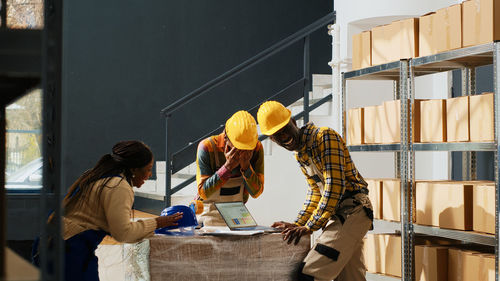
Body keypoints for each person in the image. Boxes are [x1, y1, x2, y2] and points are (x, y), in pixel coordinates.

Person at [34, 140, 183, 281]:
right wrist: (157, 223)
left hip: (52, 241)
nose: (150, 174)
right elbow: (123, 233)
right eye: (148, 169)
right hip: (68, 249)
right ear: (134, 169)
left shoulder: (98, 176)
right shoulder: (118, 186)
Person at [257, 101, 373, 281]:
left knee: (309, 274)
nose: (284, 136)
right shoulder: (300, 153)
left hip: (354, 211)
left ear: (294, 122)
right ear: (272, 139)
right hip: (341, 215)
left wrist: (310, 226)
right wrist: (298, 223)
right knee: (351, 278)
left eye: (285, 128)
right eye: (276, 135)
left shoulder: (324, 137)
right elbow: (316, 192)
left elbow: (335, 185)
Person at [194, 110, 264, 226]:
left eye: (247, 148)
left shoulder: (256, 147)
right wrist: (228, 167)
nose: (243, 152)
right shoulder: (207, 147)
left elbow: (256, 193)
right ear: (226, 136)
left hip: (237, 210)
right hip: (208, 211)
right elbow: (203, 193)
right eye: (238, 147)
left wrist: (246, 167)